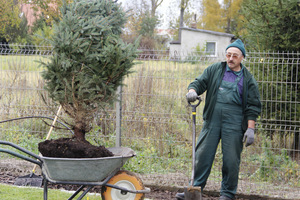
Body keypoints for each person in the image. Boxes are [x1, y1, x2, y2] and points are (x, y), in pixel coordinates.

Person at [176, 39, 261, 200]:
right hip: (212, 120)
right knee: (202, 156)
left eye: (235, 56)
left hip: (234, 123)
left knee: (231, 160)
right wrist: (192, 90)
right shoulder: (215, 69)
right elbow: (199, 82)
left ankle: (227, 194)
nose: (230, 59)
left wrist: (250, 128)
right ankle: (194, 190)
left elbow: (253, 106)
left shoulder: (248, 79)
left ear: (242, 57)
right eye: (228, 55)